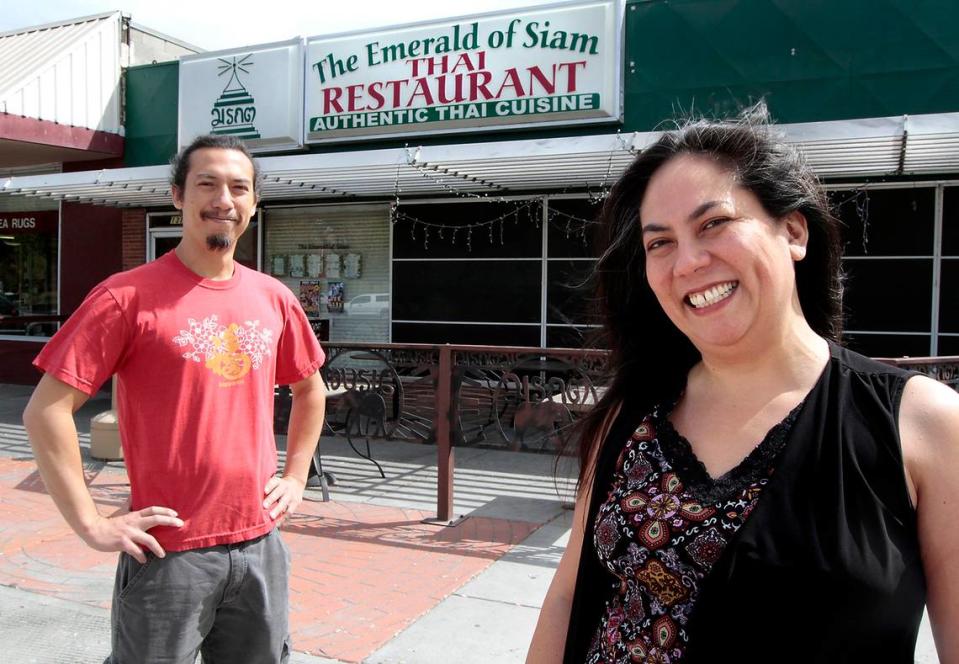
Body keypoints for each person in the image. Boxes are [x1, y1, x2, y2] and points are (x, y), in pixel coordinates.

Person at [527, 115, 959, 663]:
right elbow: (568, 594)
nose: (688, 262)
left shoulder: (923, 424)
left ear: (794, 231)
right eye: (660, 242)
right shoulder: (634, 412)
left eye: (713, 224)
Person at [22, 135, 327, 663]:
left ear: (253, 204)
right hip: (168, 551)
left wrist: (297, 475)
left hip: (260, 545)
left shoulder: (273, 297)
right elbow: (46, 411)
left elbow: (309, 389)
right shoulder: (126, 297)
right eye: (206, 183)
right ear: (177, 197)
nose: (223, 199)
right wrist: (91, 524)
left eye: (239, 187)